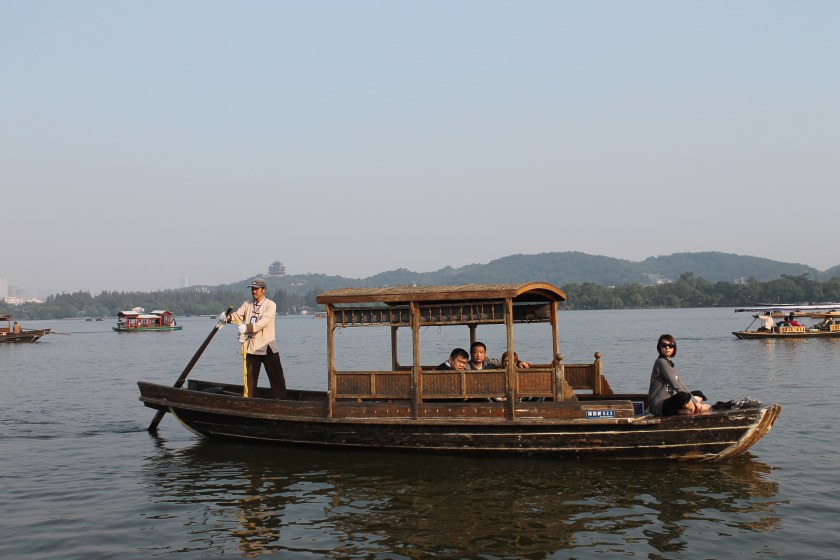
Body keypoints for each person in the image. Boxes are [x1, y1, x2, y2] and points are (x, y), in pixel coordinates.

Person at [221, 278, 287, 399]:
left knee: (276, 377)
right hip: (251, 347)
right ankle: (248, 401)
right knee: (249, 380)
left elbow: (264, 322)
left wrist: (247, 328)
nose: (254, 291)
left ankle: (281, 401)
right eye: (252, 289)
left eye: (256, 289)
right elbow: (237, 316)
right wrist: (227, 317)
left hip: (267, 347)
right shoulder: (247, 304)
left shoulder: (270, 305)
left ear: (264, 290)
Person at [647, 334, 710, 416]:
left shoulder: (669, 364)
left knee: (698, 393)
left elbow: (681, 384)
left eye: (670, 345)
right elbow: (676, 385)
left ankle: (687, 409)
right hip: (659, 407)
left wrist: (693, 399)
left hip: (668, 402)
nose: (667, 348)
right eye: (664, 345)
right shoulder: (661, 362)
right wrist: (699, 405)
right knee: (683, 396)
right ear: (659, 347)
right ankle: (692, 409)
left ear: (674, 348)